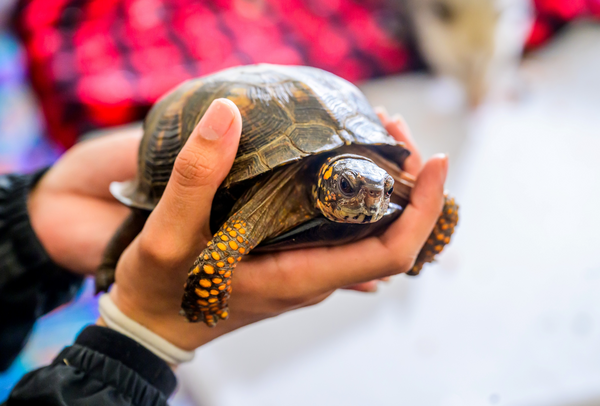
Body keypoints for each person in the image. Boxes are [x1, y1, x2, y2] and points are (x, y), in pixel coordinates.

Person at [1, 100, 448, 404]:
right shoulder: (273, 196)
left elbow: (422, 197)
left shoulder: (369, 184)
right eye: (351, 189)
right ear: (327, 180)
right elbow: (219, 253)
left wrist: (33, 218)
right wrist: (144, 331)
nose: (370, 200)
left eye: (382, 190)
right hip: (253, 188)